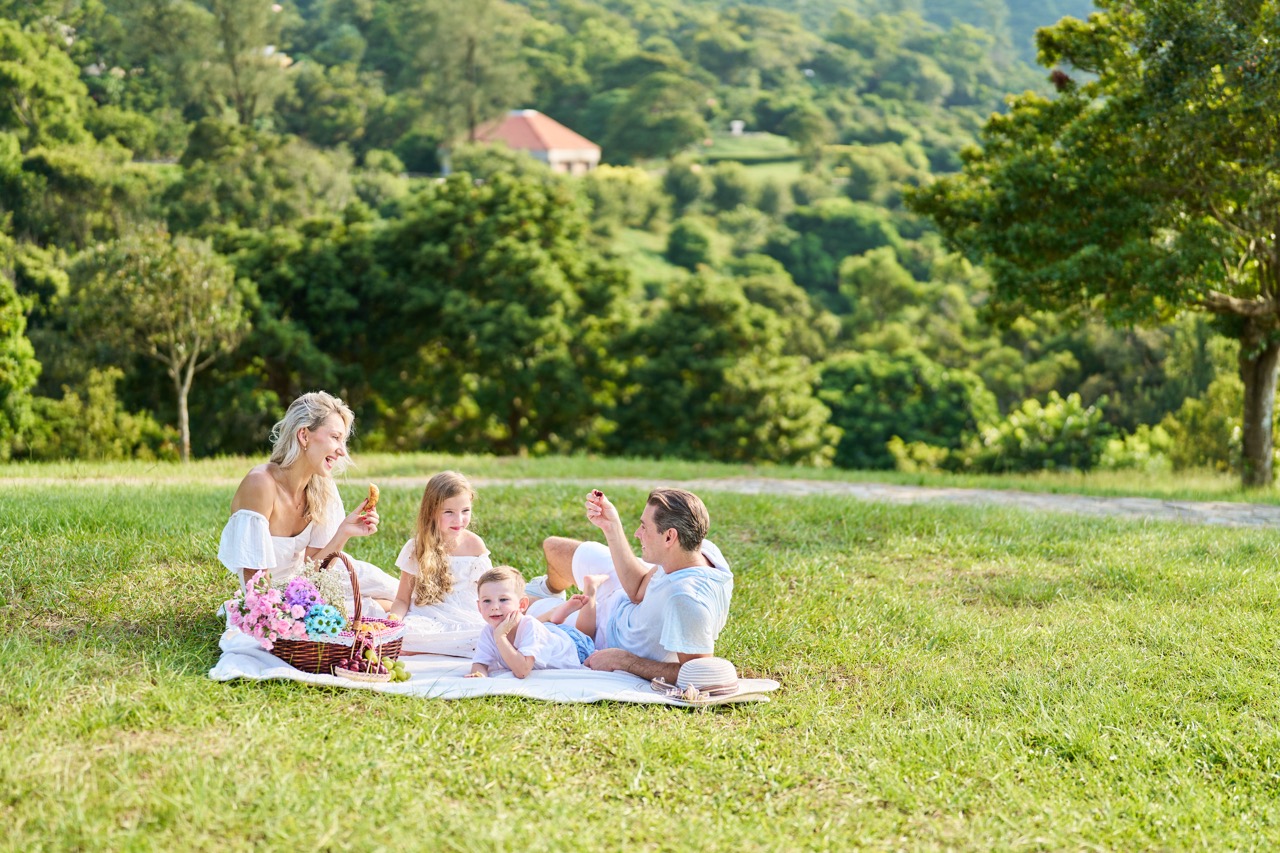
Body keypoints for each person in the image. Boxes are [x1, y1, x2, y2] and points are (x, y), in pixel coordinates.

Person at [524, 487, 733, 683]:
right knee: (554, 548)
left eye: (644, 527)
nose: (637, 533)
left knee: (519, 609)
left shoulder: (686, 600)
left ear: (669, 536)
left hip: (606, 630)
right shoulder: (700, 550)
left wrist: (625, 661)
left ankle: (542, 602)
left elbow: (695, 672)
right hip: (625, 601)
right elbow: (639, 590)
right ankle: (549, 591)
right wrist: (611, 526)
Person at [217, 391, 400, 613]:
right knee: (371, 611)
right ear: (304, 435)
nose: (342, 451)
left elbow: (315, 572)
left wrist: (344, 532)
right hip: (275, 599)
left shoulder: (323, 486)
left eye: (343, 440)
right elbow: (255, 584)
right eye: (335, 437)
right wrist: (284, 613)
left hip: (314, 583)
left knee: (405, 596)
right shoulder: (260, 484)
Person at [387, 471, 492, 656]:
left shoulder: (474, 545)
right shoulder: (416, 547)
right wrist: (393, 622)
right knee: (404, 636)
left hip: (465, 615)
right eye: (449, 512)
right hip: (428, 616)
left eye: (465, 511)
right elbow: (402, 599)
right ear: (431, 511)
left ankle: (439, 649)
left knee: (485, 636)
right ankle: (437, 648)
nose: (459, 519)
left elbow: (489, 591)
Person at [465, 566, 587, 678]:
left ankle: (588, 594)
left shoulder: (529, 627)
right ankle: (553, 617)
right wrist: (478, 675)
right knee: (542, 628)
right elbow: (480, 663)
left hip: (575, 644)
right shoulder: (488, 632)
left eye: (503, 599)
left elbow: (522, 671)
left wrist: (500, 637)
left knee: (588, 632)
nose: (494, 607)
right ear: (479, 607)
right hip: (545, 633)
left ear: (522, 604)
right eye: (487, 601)